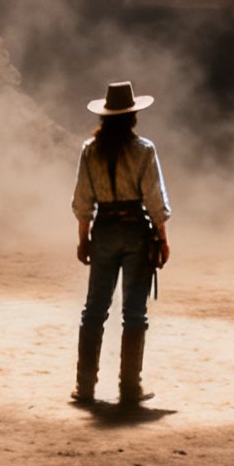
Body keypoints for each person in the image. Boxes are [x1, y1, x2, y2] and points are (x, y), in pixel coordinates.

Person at [71, 77, 171, 408]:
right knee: (135, 312)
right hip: (134, 231)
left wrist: (83, 237)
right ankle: (130, 387)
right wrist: (162, 237)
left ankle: (85, 386)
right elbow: (154, 199)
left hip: (103, 230)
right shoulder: (144, 150)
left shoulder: (90, 151)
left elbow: (83, 197)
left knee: (94, 309)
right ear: (132, 117)